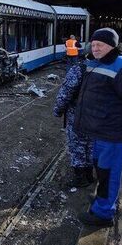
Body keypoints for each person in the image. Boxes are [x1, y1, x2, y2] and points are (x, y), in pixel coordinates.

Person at [73, 28, 122, 227]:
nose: (95, 48)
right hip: (100, 130)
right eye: (93, 44)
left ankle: (104, 213)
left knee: (108, 173)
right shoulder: (96, 62)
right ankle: (102, 199)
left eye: (100, 45)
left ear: (112, 46)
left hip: (112, 132)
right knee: (101, 169)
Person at [53, 52, 93, 188]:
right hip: (99, 118)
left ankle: (80, 178)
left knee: (77, 145)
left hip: (78, 116)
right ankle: (90, 174)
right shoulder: (108, 69)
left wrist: (58, 111)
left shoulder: (79, 69)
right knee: (92, 145)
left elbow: (65, 94)